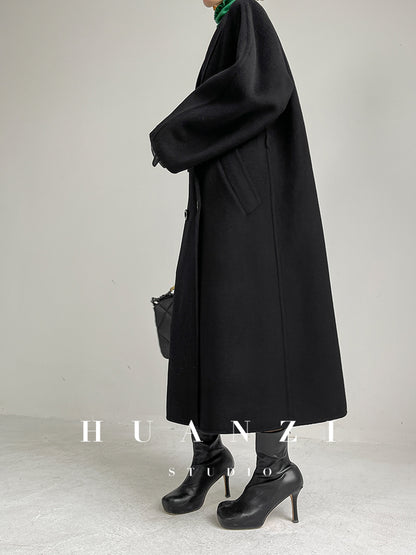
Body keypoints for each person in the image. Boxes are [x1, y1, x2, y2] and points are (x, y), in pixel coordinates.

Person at [149, 0, 347, 530]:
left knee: (258, 331)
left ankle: (275, 468)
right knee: (200, 327)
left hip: (245, 213)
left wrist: (173, 134)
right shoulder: (231, 23)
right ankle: (209, 457)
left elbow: (257, 91)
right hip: (224, 206)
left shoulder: (245, 14)